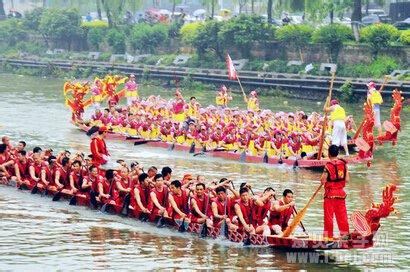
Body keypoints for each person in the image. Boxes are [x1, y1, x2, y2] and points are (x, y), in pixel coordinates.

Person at [320, 144, 350, 240]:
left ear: (329, 154)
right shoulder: (344, 164)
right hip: (341, 194)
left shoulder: (328, 165)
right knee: (342, 216)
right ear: (338, 153)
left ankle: (328, 236)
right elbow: (347, 179)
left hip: (330, 194)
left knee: (329, 217)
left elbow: (323, 180)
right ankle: (345, 235)